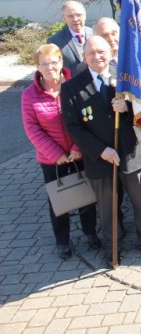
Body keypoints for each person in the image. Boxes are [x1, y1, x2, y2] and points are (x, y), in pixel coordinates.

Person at [61, 36, 141, 266]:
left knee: (140, 201)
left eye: (101, 52)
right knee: (107, 207)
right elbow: (73, 127)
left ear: (110, 52)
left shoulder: (128, 77)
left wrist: (127, 107)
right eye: (91, 53)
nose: (97, 57)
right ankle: (113, 246)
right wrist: (100, 150)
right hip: (99, 158)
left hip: (130, 150)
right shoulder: (71, 87)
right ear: (84, 56)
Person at [22, 44, 99, 260]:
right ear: (37, 67)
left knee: (86, 195)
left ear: (61, 63)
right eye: (44, 63)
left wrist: (77, 148)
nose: (50, 67)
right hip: (51, 160)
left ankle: (90, 232)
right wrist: (56, 155)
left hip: (79, 152)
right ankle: (62, 241)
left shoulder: (75, 86)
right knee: (59, 201)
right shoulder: (29, 95)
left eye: (54, 62)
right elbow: (32, 129)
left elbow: (87, 117)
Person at [47, 0, 93, 73]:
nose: (75, 19)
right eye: (70, 16)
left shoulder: (96, 34)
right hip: (71, 83)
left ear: (85, 16)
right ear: (64, 18)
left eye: (78, 15)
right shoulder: (54, 41)